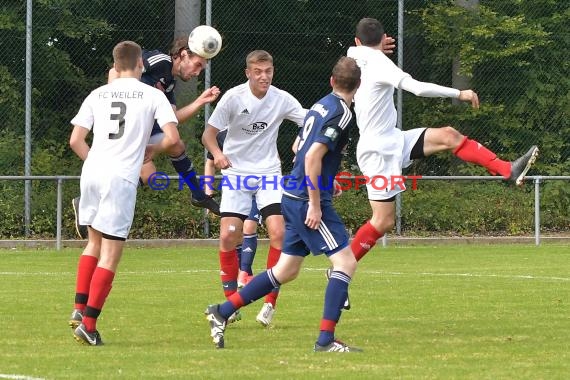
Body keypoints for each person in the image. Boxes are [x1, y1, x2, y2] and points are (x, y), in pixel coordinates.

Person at [347, 17, 539, 263]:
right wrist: (459, 93)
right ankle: (343, 268)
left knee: (449, 135)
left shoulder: (353, 56)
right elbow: (417, 88)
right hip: (377, 151)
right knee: (383, 221)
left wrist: (373, 50)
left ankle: (507, 170)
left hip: (393, 138)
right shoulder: (380, 64)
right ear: (384, 39)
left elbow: (361, 53)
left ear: (357, 41)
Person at [205, 56, 363, 352]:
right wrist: (315, 202)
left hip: (291, 192)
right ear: (360, 85)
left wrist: (324, 178)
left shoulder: (321, 104)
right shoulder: (341, 112)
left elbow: (302, 149)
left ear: (331, 81)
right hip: (305, 198)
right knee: (345, 262)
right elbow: (313, 155)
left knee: (286, 270)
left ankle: (221, 311)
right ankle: (325, 340)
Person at [68, 40, 180, 345]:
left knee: (93, 242)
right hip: (120, 179)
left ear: (115, 66)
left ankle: (79, 309)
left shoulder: (98, 94)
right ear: (141, 63)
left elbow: (76, 141)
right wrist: (153, 149)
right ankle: (89, 326)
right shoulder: (153, 95)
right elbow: (172, 138)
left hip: (91, 172)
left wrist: (96, 163)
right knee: (111, 253)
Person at [72, 36, 221, 239]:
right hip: (125, 124)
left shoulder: (168, 83)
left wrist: (199, 102)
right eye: (197, 65)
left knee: (151, 175)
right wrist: (116, 102)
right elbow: (115, 71)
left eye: (201, 68)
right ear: (183, 54)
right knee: (174, 145)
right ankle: (198, 193)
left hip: (142, 126)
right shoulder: (160, 61)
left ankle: (197, 195)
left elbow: (171, 120)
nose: (197, 72)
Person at [201, 50, 307, 327]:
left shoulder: (282, 98)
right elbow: (208, 135)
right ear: (248, 73)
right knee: (228, 236)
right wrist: (218, 154)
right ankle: (230, 303)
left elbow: (310, 122)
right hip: (236, 172)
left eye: (268, 71)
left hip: (269, 172)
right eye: (258, 72)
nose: (264, 76)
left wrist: (303, 144)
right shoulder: (234, 98)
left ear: (273, 71)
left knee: (279, 233)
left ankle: (270, 303)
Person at [203, 129, 261, 289]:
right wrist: (208, 191)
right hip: (234, 188)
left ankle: (245, 275)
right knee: (233, 233)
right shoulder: (220, 135)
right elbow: (210, 163)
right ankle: (245, 272)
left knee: (249, 226)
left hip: (258, 186)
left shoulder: (255, 130)